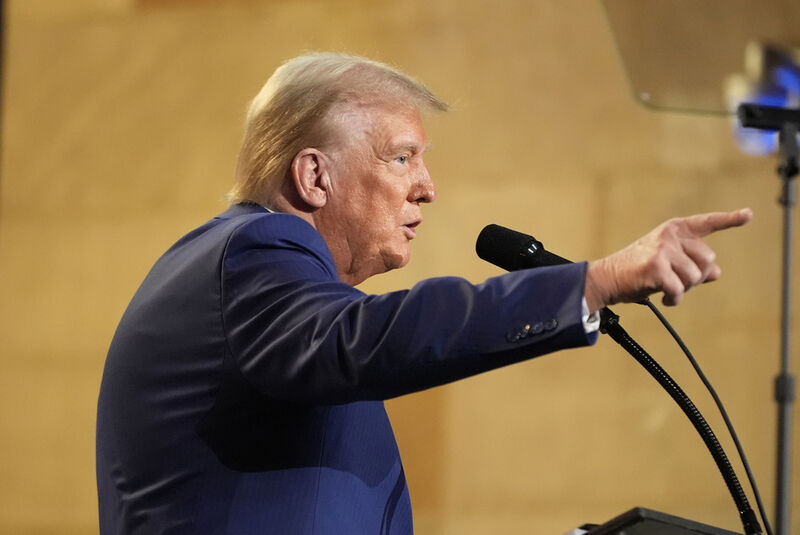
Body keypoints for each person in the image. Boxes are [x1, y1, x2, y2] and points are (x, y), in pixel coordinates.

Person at [96, 52, 752, 534]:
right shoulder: (255, 249)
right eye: (402, 157)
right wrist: (595, 281)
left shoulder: (249, 278)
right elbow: (361, 341)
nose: (428, 187)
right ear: (314, 176)